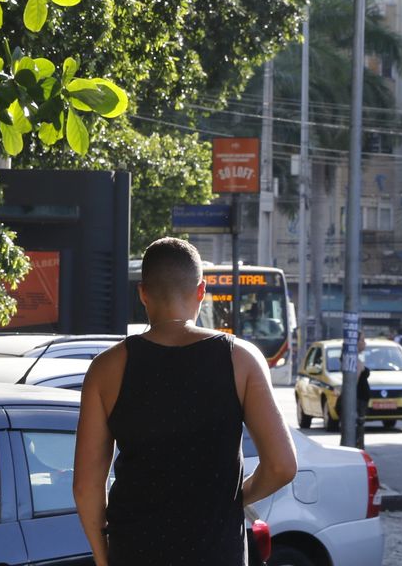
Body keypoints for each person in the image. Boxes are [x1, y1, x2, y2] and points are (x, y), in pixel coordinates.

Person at [74, 238, 296, 566]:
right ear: (201, 291)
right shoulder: (241, 359)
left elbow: (86, 486)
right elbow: (282, 466)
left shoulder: (106, 368)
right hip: (217, 554)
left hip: (135, 552)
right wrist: (235, 498)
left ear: (143, 293)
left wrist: (103, 557)